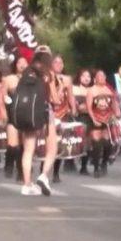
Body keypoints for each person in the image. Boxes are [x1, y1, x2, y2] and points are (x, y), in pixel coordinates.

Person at [17, 48, 58, 196]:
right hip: (45, 111)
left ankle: (27, 184)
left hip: (27, 111)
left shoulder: (27, 71)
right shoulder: (49, 74)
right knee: (52, 148)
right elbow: (54, 98)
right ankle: (43, 175)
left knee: (28, 149)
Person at [0, 55, 29, 182]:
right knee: (13, 145)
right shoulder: (9, 79)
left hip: (27, 115)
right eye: (19, 62)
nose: (22, 65)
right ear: (15, 65)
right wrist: (3, 112)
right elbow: (1, 96)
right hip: (12, 113)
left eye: (25, 62)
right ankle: (9, 164)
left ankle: (21, 170)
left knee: (24, 145)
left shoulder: (32, 79)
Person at [48, 55, 77, 183]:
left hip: (63, 112)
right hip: (49, 111)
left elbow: (70, 95)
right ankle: (44, 170)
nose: (59, 65)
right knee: (48, 142)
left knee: (60, 143)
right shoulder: (47, 77)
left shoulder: (67, 79)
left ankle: (55, 172)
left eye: (61, 63)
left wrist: (74, 108)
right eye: (56, 62)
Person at [87, 70, 120, 178]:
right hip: (95, 119)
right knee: (96, 144)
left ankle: (104, 163)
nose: (101, 78)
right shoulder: (92, 90)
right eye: (99, 76)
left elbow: (114, 104)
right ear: (95, 78)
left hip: (107, 119)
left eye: (103, 76)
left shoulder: (109, 90)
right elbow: (89, 107)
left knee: (107, 144)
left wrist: (116, 114)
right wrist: (93, 120)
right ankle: (96, 167)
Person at [72, 69, 93, 176]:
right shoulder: (74, 89)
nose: (86, 78)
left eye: (88, 76)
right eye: (84, 76)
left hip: (90, 117)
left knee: (88, 143)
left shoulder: (93, 89)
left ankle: (84, 166)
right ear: (79, 77)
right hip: (77, 117)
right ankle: (70, 161)